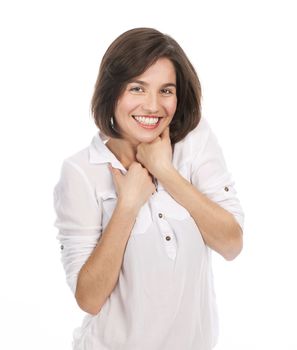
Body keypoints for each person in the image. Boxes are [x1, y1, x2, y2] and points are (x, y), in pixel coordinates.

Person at [53, 27, 244, 350]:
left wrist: (166, 173)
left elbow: (231, 244)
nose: (153, 106)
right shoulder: (81, 171)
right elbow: (89, 298)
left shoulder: (194, 142)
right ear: (112, 92)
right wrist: (127, 205)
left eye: (166, 91)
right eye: (137, 88)